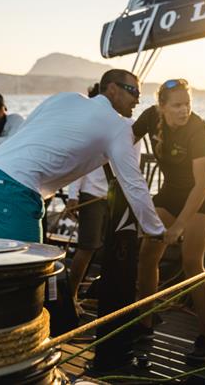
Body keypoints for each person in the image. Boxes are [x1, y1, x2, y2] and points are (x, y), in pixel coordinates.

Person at [0, 69, 167, 244]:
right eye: (133, 91)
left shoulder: (64, 97)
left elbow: (25, 131)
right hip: (12, 187)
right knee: (27, 270)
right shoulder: (117, 125)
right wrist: (156, 231)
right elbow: (133, 181)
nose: (138, 99)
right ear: (112, 88)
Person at [132, 79, 205, 362]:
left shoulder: (198, 129)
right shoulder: (150, 117)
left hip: (203, 194)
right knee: (147, 254)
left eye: (188, 104)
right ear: (162, 107)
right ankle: (146, 322)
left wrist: (179, 227)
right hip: (171, 190)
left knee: (191, 261)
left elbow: (203, 185)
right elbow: (122, 141)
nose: (184, 110)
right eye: (177, 105)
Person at [66, 84, 110, 302]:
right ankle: (70, 297)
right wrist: (73, 195)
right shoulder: (87, 131)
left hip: (113, 198)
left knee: (113, 249)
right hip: (92, 195)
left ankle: (109, 294)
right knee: (87, 247)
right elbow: (78, 165)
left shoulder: (121, 127)